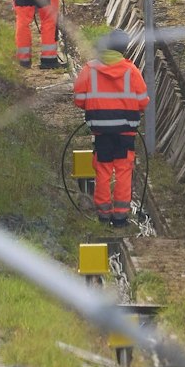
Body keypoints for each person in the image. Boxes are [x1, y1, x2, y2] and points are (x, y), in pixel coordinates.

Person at [73, 30, 150, 227]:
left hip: (101, 131)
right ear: (124, 48)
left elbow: (79, 100)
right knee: (124, 171)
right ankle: (120, 217)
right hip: (125, 131)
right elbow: (143, 101)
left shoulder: (89, 69)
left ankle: (103, 214)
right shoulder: (131, 71)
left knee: (103, 171)